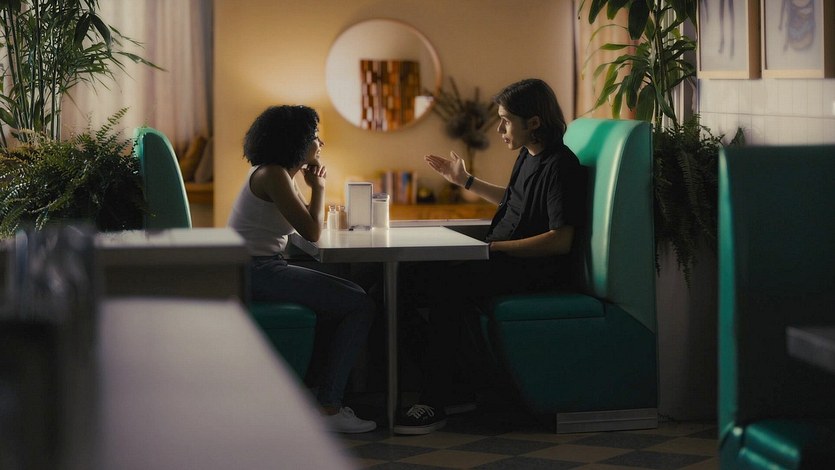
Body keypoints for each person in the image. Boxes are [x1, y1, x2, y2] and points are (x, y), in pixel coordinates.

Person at [393, 78, 586, 435]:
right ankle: (456, 385)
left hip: (532, 270)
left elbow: (560, 241)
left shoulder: (561, 166)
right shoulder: (526, 156)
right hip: (502, 259)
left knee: (446, 286)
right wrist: (466, 181)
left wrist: (491, 249)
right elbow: (514, 201)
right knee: (399, 282)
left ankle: (434, 401)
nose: (499, 129)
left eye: (506, 121)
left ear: (534, 122)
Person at [227, 105, 377, 433]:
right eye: (314, 136)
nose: (320, 143)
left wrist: (313, 188)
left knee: (346, 297)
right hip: (256, 270)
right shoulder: (274, 175)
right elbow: (311, 231)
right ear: (295, 140)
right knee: (360, 303)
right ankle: (329, 407)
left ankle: (317, 392)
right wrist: (319, 188)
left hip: (258, 267)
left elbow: (306, 223)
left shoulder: (278, 174)